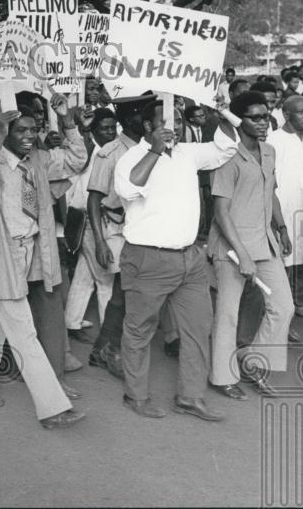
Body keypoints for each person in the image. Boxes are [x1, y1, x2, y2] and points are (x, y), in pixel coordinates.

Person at [0, 108, 86, 429]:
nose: (30, 135)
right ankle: (53, 407)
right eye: (21, 131)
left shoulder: (38, 160)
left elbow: (76, 160)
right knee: (23, 330)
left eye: (34, 129)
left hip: (29, 250)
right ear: (5, 132)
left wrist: (69, 125)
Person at [114, 97, 238, 421]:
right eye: (166, 121)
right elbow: (128, 190)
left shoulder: (188, 154)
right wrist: (155, 151)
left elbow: (226, 148)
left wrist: (220, 111)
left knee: (198, 327)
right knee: (140, 330)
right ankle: (135, 395)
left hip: (190, 258)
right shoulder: (131, 157)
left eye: (179, 121)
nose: (175, 127)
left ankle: (190, 396)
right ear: (147, 127)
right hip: (147, 259)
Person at [207, 92, 294, 400]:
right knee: (228, 314)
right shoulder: (227, 157)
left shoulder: (269, 152)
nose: (263, 122)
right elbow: (220, 211)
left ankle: (253, 362)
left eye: (265, 115)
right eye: (255, 117)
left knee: (283, 306)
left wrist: (281, 227)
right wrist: (242, 255)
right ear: (238, 119)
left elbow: (270, 194)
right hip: (231, 247)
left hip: (264, 242)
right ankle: (222, 376)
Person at [84, 95, 154, 378]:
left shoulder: (151, 148)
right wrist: (100, 241)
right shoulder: (110, 152)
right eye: (142, 113)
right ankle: (110, 349)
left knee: (126, 293)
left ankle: (105, 347)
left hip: (144, 227)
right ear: (129, 118)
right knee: (123, 292)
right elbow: (94, 198)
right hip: (114, 226)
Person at [265, 96, 303, 319]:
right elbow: (268, 182)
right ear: (287, 114)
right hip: (284, 215)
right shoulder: (274, 140)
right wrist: (276, 220)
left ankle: (295, 302)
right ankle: (279, 316)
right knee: (283, 267)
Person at [64, 108, 119, 334]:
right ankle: (108, 336)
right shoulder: (90, 151)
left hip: (87, 217)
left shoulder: (110, 150)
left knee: (85, 274)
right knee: (105, 279)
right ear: (93, 131)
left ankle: (71, 321)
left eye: (112, 128)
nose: (110, 132)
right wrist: (84, 129)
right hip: (89, 218)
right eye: (104, 129)